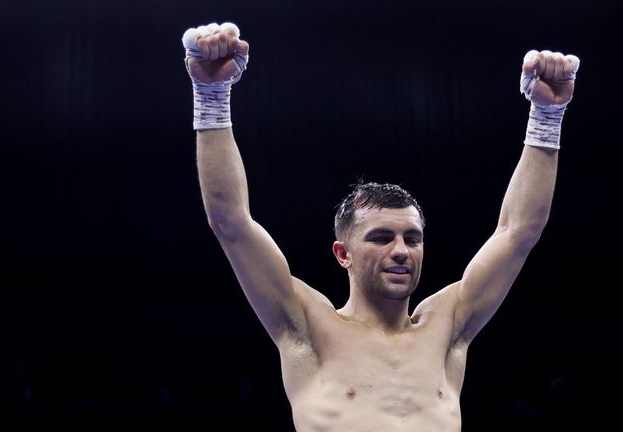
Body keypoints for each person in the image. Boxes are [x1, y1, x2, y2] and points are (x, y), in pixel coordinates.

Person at [181, 22, 579, 432]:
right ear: (343, 253)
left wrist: (547, 116)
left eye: (412, 238)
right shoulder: (306, 325)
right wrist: (211, 96)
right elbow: (231, 223)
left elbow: (518, 233)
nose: (402, 251)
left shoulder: (448, 326)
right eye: (381, 237)